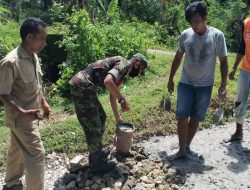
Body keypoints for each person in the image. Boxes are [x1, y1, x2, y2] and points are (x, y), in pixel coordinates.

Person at [167, 1, 228, 160]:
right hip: (186, 82)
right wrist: (171, 78)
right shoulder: (186, 35)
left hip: (205, 85)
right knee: (182, 115)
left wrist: (223, 84)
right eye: (191, 22)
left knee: (196, 117)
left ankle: (187, 147)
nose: (194, 25)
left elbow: (223, 61)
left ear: (205, 18)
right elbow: (178, 57)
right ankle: (181, 150)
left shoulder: (217, 36)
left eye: (197, 21)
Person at [69, 53, 148, 173]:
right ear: (137, 64)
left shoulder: (122, 71)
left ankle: (97, 152)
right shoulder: (124, 63)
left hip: (85, 85)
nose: (137, 74)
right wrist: (122, 100)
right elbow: (108, 81)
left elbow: (112, 94)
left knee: (101, 117)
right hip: (82, 85)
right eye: (140, 70)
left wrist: (117, 117)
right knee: (93, 124)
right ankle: (97, 164)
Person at [0, 18, 51, 190]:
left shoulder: (33, 56)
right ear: (29, 37)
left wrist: (43, 102)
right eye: (42, 38)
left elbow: (36, 85)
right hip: (20, 118)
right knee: (37, 154)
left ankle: (12, 183)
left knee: (17, 149)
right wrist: (22, 111)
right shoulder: (11, 62)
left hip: (29, 116)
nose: (44, 43)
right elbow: (3, 93)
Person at [227, 0, 250, 142]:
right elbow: (242, 46)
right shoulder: (246, 23)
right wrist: (234, 67)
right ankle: (238, 132)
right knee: (240, 100)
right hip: (245, 69)